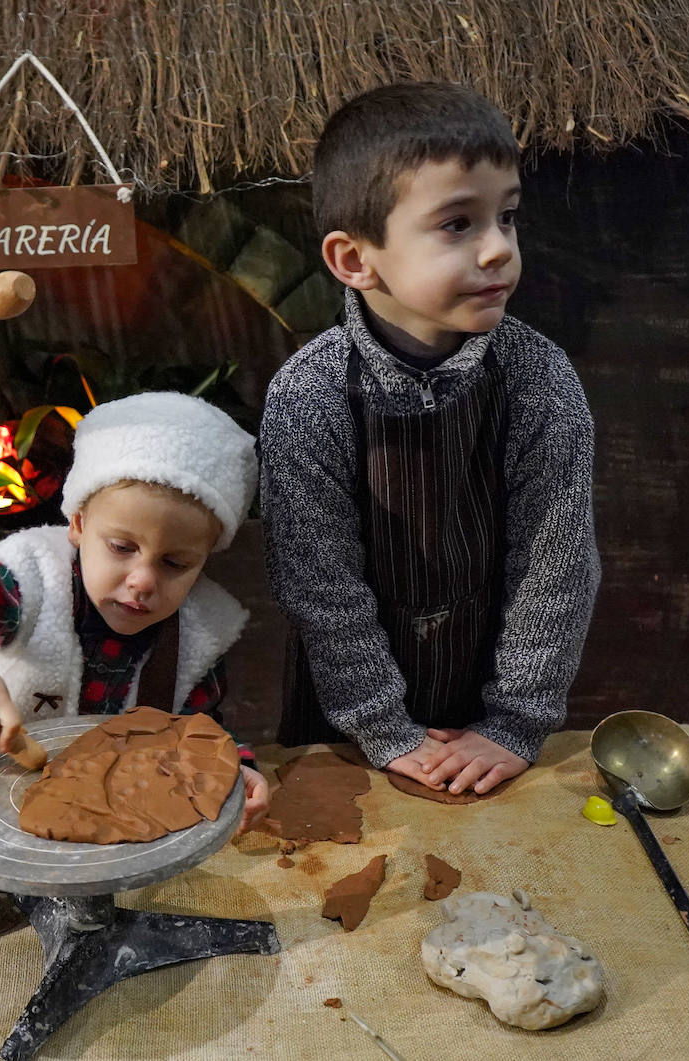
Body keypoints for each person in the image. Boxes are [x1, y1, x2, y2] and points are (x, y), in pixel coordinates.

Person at [259, 82, 599, 796]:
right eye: (457, 224)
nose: (499, 250)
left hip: (488, 706)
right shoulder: (309, 396)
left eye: (507, 217)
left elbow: (555, 566)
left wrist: (515, 721)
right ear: (355, 260)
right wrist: (384, 728)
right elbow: (322, 590)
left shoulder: (539, 379)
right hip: (344, 724)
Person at [0, 392, 270, 829]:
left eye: (175, 564)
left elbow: (198, 730)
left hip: (107, 819)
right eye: (122, 548)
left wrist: (234, 769)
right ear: (79, 525)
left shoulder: (202, 631)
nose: (143, 580)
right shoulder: (29, 580)